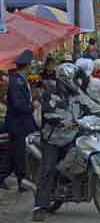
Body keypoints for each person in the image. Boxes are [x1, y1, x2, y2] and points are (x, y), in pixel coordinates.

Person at [32, 63, 90, 222]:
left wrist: (98, 113)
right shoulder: (51, 94)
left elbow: (89, 106)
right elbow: (48, 113)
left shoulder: (76, 93)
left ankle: (67, 184)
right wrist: (60, 121)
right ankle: (39, 207)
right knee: (48, 169)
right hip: (53, 139)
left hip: (70, 137)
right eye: (73, 79)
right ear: (64, 79)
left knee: (82, 157)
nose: (76, 81)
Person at [5, 50, 38, 193]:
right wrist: (32, 106)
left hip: (25, 122)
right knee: (19, 152)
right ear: (27, 66)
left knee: (25, 151)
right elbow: (19, 105)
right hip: (18, 123)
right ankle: (21, 181)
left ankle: (26, 178)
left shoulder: (22, 80)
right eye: (31, 65)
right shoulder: (16, 81)